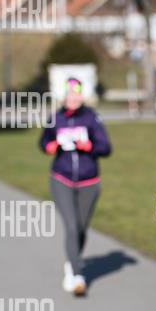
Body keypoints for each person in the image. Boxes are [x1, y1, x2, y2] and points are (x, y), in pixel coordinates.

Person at [39, 78, 111, 296]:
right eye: (70, 94)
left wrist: (89, 146)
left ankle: (72, 262)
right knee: (71, 226)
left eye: (77, 94)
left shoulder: (91, 117)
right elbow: (43, 141)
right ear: (64, 96)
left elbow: (106, 147)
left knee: (80, 228)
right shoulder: (56, 118)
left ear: (82, 96)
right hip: (61, 178)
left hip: (89, 181)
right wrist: (50, 146)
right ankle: (77, 275)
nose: (73, 98)